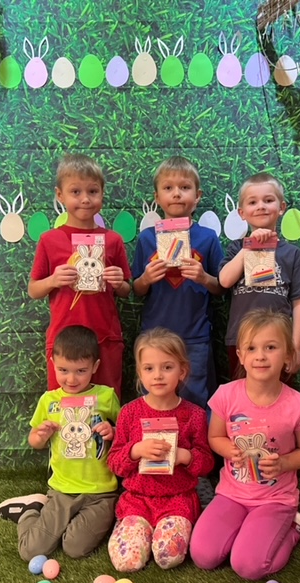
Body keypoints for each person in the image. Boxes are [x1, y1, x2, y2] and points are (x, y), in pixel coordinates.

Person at [190, 309, 300, 580]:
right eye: (251, 348)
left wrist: (284, 463)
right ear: (240, 355)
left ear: (287, 356)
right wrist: (228, 449)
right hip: (231, 494)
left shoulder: (297, 405)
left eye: (270, 347)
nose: (260, 355)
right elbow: (215, 437)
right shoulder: (226, 395)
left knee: (248, 566)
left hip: (275, 499)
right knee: (203, 555)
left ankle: (293, 529)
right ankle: (247, 530)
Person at [0, 325, 120, 561]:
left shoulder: (106, 395)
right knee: (31, 551)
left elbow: (127, 432)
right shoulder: (49, 400)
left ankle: (69, 524)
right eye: (63, 370)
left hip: (101, 493)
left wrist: (112, 431)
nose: (71, 379)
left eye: (81, 371)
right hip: (62, 490)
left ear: (95, 366)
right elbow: (34, 441)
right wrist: (41, 435)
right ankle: (30, 510)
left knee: (75, 548)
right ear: (52, 363)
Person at [107, 327, 215, 571]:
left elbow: (207, 463)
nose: (158, 375)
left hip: (178, 500)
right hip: (137, 500)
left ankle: (166, 530)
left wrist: (185, 456)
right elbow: (114, 463)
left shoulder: (195, 415)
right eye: (149, 368)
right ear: (140, 373)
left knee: (169, 557)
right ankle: (136, 529)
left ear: (182, 371)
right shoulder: (129, 413)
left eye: (167, 367)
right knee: (127, 562)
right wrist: (135, 450)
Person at [28, 153, 131, 399]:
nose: (85, 199)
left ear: (102, 194)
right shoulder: (49, 240)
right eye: (75, 192)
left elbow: (127, 289)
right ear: (60, 195)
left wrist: (119, 282)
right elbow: (33, 289)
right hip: (64, 341)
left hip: (105, 338)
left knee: (106, 403)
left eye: (93, 191)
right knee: (63, 406)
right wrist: (53, 280)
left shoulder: (113, 240)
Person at [132, 156, 224, 408]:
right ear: (157, 197)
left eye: (184, 187)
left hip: (195, 336)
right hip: (155, 337)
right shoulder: (147, 238)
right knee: (156, 400)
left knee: (195, 399)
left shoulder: (207, 238)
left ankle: (195, 437)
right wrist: (146, 279)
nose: (176, 194)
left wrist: (203, 277)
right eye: (168, 188)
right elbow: (136, 289)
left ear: (197, 196)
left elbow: (221, 287)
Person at [219, 172, 300, 380]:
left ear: (281, 207)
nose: (261, 206)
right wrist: (250, 246)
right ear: (242, 213)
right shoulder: (236, 248)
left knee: (279, 395)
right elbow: (224, 280)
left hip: (278, 341)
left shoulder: (292, 254)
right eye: (253, 202)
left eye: (268, 200)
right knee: (242, 395)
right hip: (242, 341)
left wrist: (295, 347)